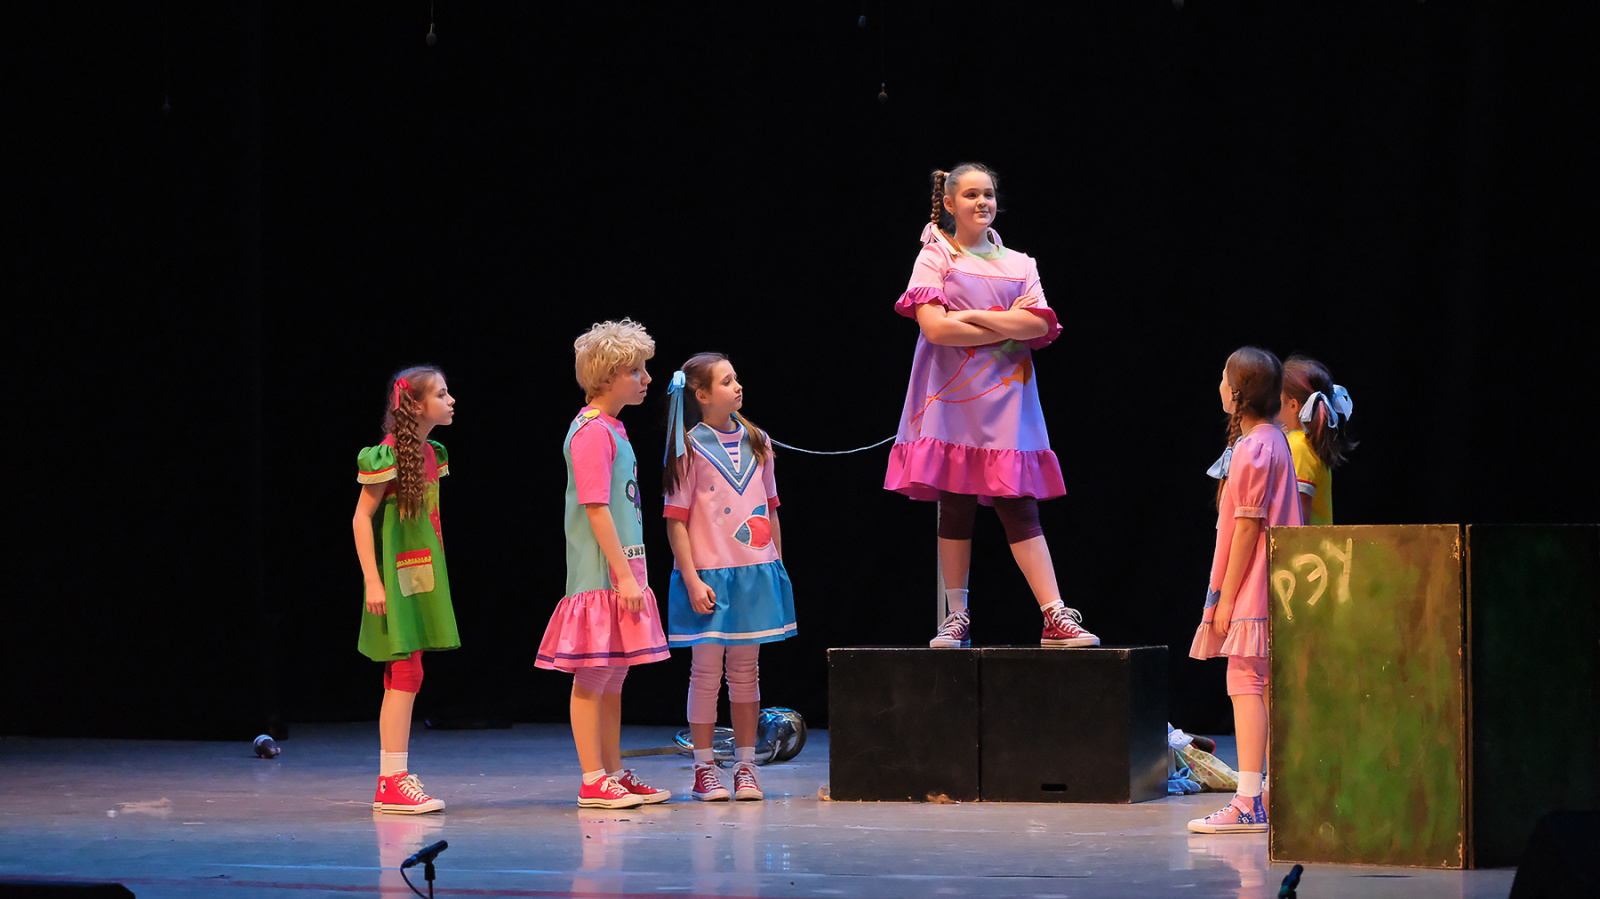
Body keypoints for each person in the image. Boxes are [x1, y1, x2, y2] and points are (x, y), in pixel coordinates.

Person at [884, 162, 1098, 649]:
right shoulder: (935, 255)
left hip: (1007, 401)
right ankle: (956, 615)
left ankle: (1054, 614)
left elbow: (1039, 327)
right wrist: (1005, 321)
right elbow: (935, 328)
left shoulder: (1021, 264)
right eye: (971, 195)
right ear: (949, 203)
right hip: (952, 401)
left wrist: (971, 317)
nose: (982, 202)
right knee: (955, 502)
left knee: (1017, 502)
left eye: (989, 194)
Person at [536, 319, 673, 809]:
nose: (646, 378)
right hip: (601, 575)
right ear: (608, 376)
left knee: (614, 675)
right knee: (593, 675)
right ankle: (592, 778)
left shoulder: (614, 428)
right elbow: (595, 508)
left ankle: (613, 772)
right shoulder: (591, 431)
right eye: (636, 370)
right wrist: (622, 577)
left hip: (623, 572)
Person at [662, 353, 797, 802]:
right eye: (726, 381)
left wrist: (776, 566)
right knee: (705, 674)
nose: (737, 386)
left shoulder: (759, 441)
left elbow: (771, 509)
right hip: (709, 577)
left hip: (754, 574)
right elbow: (676, 520)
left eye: (736, 378)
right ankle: (704, 769)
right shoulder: (688, 447)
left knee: (746, 672)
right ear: (701, 395)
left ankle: (745, 766)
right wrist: (691, 579)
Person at [1188, 347, 1304, 834]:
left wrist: (1227, 598)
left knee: (1245, 681)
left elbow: (1247, 528)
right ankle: (1272, 795)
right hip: (1273, 582)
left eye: (1223, 378)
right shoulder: (1273, 441)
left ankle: (1249, 801)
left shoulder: (1257, 448)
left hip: (1256, 583)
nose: (1218, 385)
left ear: (1238, 393)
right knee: (1264, 685)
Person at [353, 367, 459, 814]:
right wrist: (372, 581)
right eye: (442, 394)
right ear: (415, 405)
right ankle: (391, 780)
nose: (451, 400)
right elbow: (361, 519)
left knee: (410, 671)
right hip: (394, 578)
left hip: (421, 573)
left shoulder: (431, 453)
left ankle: (394, 777)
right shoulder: (387, 455)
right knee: (404, 672)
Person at [1278, 355, 1356, 526]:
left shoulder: (1299, 447)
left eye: (1278, 400)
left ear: (1293, 405)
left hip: (1305, 544)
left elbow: (1299, 517)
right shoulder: (1301, 442)